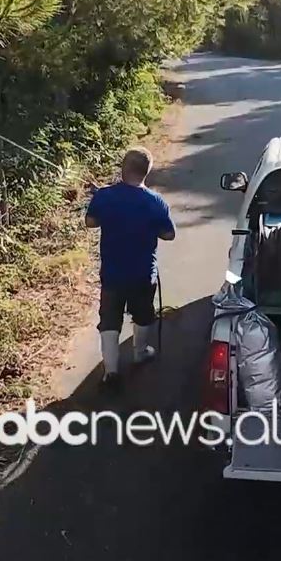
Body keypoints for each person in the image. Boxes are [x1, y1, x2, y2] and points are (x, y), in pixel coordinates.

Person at [85, 147, 176, 390]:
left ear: (123, 168)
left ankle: (111, 371)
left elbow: (90, 222)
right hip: (143, 274)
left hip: (113, 274)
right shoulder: (156, 202)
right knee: (143, 314)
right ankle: (140, 352)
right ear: (147, 172)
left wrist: (101, 201)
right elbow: (169, 235)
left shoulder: (104, 196)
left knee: (109, 320)